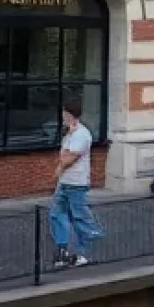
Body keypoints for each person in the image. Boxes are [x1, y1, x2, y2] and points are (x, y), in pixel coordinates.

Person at [48, 101, 103, 268]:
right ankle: (64, 249)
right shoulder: (70, 134)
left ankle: (84, 249)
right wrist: (59, 169)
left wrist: (60, 165)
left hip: (76, 183)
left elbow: (67, 159)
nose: (62, 117)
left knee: (78, 217)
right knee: (56, 214)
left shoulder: (81, 134)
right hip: (65, 182)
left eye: (64, 114)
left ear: (71, 115)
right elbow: (63, 157)